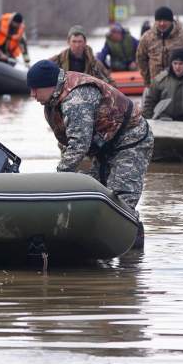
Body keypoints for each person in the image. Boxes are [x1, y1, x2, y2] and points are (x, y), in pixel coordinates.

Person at [27, 60, 153, 248]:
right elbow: (66, 142)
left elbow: (79, 144)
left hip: (130, 140)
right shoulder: (52, 103)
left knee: (121, 199)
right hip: (105, 146)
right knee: (96, 193)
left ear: (49, 85)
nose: (32, 95)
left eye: (36, 89)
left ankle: (131, 261)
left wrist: (58, 179)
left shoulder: (76, 99)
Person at [135, 6, 183, 86]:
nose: (162, 23)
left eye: (165, 20)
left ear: (171, 21)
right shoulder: (147, 37)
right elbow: (141, 58)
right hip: (156, 84)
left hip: (179, 85)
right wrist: (147, 80)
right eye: (159, 20)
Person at [49, 25, 114, 84]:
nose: (77, 45)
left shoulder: (94, 63)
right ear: (68, 42)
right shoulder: (58, 60)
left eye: (80, 41)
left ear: (85, 42)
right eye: (74, 41)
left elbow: (110, 82)